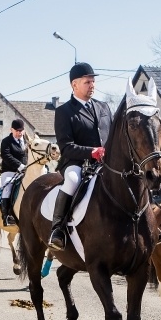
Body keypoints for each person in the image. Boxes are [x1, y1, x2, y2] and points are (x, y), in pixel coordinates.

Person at [48, 62, 112, 251]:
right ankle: (57, 228)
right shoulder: (64, 111)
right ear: (74, 85)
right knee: (72, 180)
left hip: (106, 162)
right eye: (87, 82)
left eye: (93, 81)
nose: (92, 85)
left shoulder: (104, 107)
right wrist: (91, 152)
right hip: (77, 162)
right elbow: (66, 147)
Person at [0, 119, 27, 226]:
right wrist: (19, 166)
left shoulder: (26, 141)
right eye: (17, 131)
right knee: (7, 187)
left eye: (21, 131)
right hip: (9, 171)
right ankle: (6, 216)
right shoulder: (6, 141)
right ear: (11, 130)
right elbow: (6, 156)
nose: (19, 133)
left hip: (25, 171)